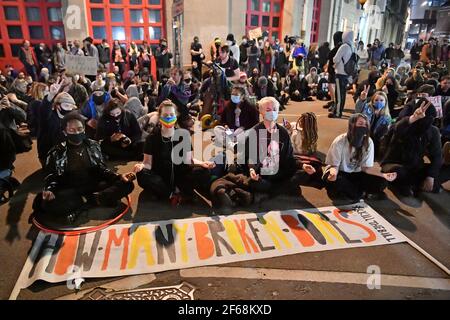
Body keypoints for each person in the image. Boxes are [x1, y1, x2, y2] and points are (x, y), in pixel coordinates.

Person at [33, 112, 135, 224]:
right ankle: (97, 200)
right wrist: (50, 189)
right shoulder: (56, 151)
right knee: (46, 203)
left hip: (94, 184)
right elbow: (52, 176)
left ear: (84, 130)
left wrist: (119, 176)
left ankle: (85, 203)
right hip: (70, 188)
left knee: (127, 184)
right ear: (64, 132)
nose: (76, 132)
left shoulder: (93, 145)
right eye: (72, 130)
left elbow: (102, 170)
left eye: (79, 129)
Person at [134, 100, 213, 204]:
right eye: (165, 115)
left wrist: (203, 163)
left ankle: (170, 192)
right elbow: (147, 163)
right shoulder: (152, 138)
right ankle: (171, 194)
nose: (168, 118)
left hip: (180, 176)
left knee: (203, 171)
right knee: (141, 174)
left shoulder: (183, 135)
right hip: (160, 177)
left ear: (176, 116)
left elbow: (189, 161)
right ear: (160, 117)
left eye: (171, 115)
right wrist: (141, 166)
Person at [323, 113, 396, 201]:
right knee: (336, 183)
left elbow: (366, 168)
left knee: (382, 181)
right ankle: (362, 193)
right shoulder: (340, 141)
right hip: (340, 172)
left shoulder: (368, 142)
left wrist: (384, 175)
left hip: (357, 173)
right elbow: (334, 165)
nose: (363, 127)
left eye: (366, 124)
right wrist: (333, 174)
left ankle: (355, 193)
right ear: (352, 125)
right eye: (360, 124)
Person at [381, 99, 442, 196]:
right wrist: (414, 117)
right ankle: (408, 185)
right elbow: (397, 129)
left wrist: (431, 176)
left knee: (436, 177)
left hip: (415, 165)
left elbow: (437, 155)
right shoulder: (405, 123)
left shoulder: (433, 131)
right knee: (400, 174)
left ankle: (414, 184)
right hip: (394, 163)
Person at [242, 97, 296, 203]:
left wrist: (301, 166)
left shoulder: (283, 132)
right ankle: (276, 190)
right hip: (261, 174)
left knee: (302, 174)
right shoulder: (254, 132)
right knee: (254, 181)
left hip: (279, 172)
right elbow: (250, 158)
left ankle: (268, 191)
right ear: (261, 112)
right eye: (268, 110)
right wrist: (252, 170)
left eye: (274, 109)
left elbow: (289, 157)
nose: (272, 112)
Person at [37, 83, 78, 167]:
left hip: (65, 152)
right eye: (66, 105)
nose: (69, 109)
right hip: (48, 152)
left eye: (71, 106)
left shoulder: (73, 117)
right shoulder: (49, 117)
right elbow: (44, 111)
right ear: (58, 106)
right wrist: (51, 95)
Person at [355, 90, 392, 155]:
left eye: (381, 100)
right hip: (364, 136)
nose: (379, 102)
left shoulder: (387, 117)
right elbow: (358, 111)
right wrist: (361, 100)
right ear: (373, 101)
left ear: (385, 102)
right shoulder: (367, 108)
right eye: (376, 100)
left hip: (375, 140)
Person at [329, 30, 354, 118]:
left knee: (338, 94)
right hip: (346, 74)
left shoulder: (344, 46)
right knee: (342, 93)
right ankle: (339, 110)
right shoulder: (352, 47)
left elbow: (335, 59)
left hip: (340, 73)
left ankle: (337, 112)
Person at [323, 31, 343, 111]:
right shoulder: (340, 46)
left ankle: (335, 102)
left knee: (332, 85)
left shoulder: (340, 46)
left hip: (335, 68)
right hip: (333, 68)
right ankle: (332, 101)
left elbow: (330, 55)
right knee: (331, 85)